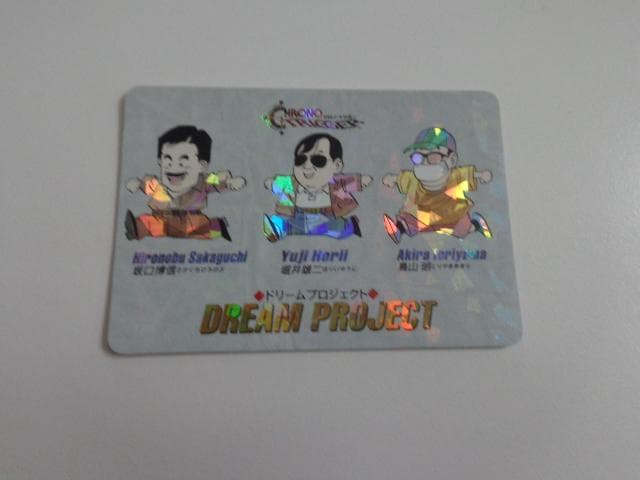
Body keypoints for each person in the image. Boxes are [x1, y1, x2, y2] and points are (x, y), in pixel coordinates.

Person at [124, 125, 246, 241]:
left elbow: (216, 181)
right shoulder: (159, 185)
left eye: (182, 161)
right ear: (160, 162)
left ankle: (219, 226)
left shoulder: (203, 181)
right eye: (168, 160)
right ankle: (136, 229)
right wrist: (138, 183)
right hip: (162, 219)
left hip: (191, 220)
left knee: (203, 230)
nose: (174, 168)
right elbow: (148, 186)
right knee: (149, 224)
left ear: (201, 165)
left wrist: (229, 182)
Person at [382, 127, 493, 243]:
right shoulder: (413, 180)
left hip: (451, 214)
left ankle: (476, 224)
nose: (424, 163)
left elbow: (468, 175)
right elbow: (401, 178)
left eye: (433, 157)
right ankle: (399, 229)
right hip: (422, 214)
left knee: (462, 229)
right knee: (409, 221)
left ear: (452, 160)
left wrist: (481, 175)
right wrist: (392, 179)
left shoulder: (454, 177)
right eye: (418, 157)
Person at [263, 133, 372, 242]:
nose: (307, 166)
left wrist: (360, 181)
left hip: (326, 215)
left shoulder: (334, 183)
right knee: (295, 226)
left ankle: (351, 226)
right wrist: (273, 183)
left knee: (337, 229)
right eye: (300, 160)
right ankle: (278, 227)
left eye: (318, 160)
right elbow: (283, 183)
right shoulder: (293, 183)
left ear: (337, 165)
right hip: (301, 215)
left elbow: (347, 181)